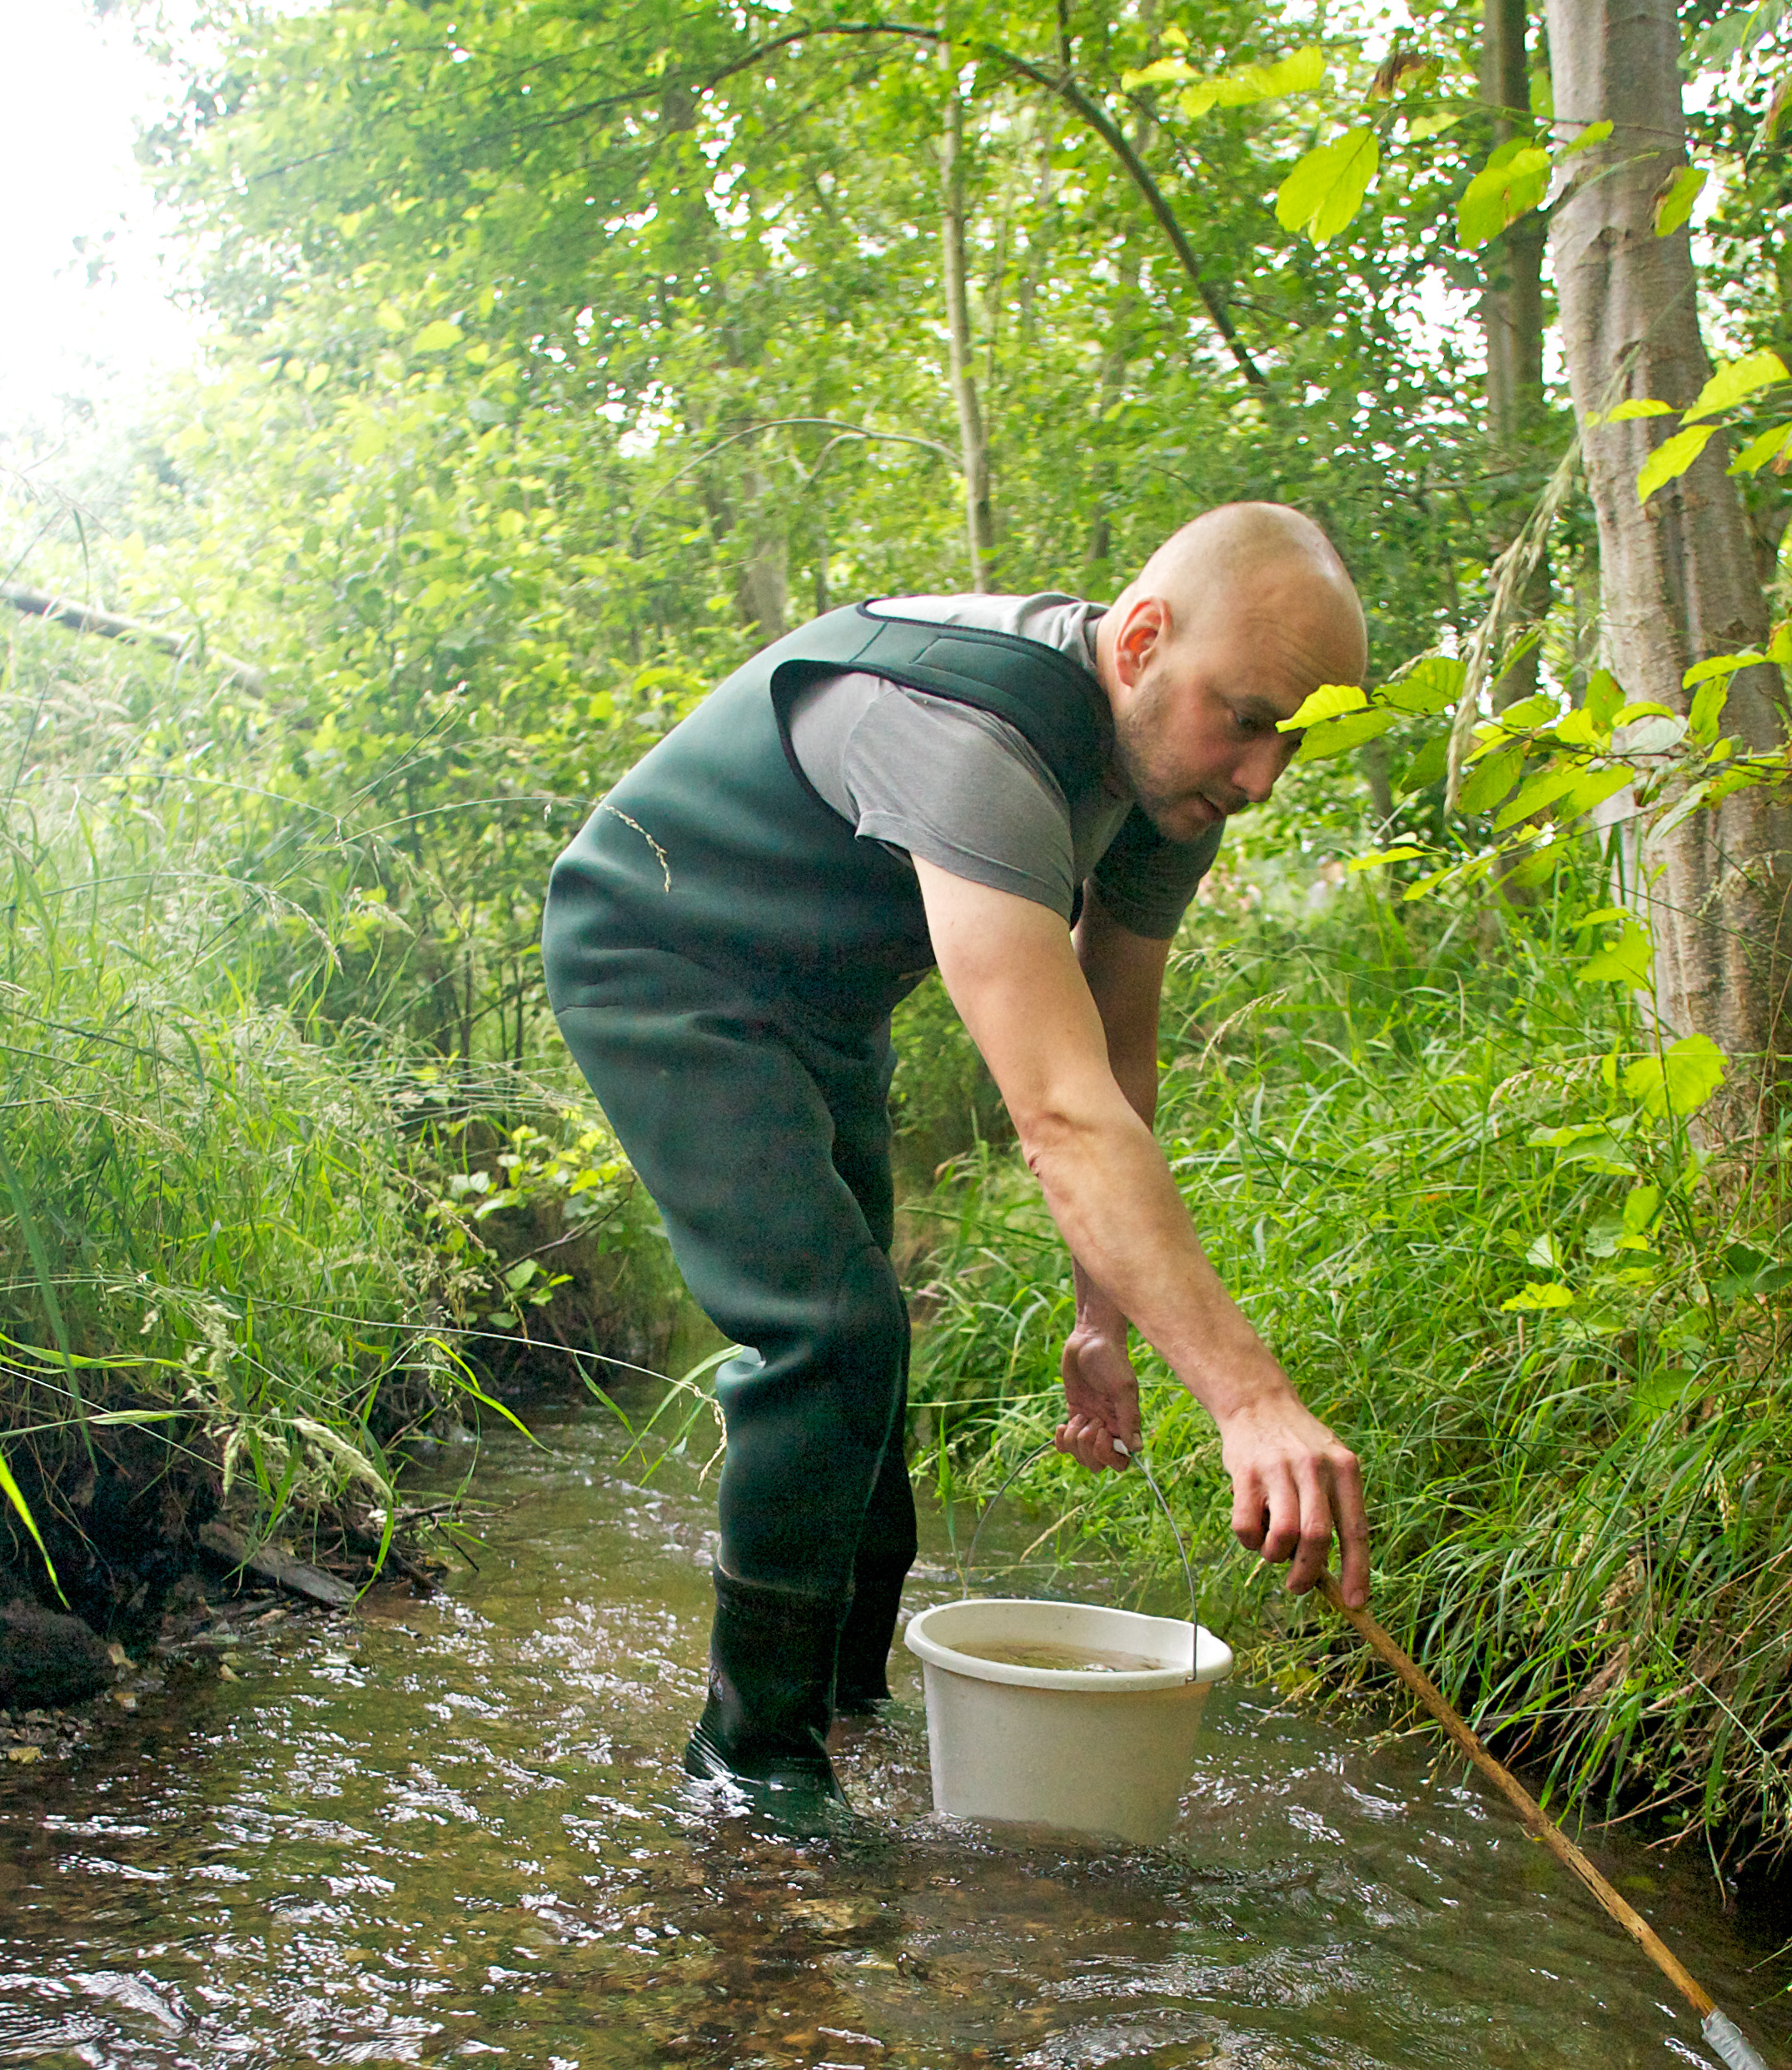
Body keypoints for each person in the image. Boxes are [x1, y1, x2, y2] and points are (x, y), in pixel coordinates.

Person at [540, 500, 1374, 1833]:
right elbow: (1053, 1111)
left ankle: (850, 1698)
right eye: (1253, 717)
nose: (1263, 774)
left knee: (868, 1343)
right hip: (656, 957)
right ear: (1143, 639)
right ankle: (749, 1758)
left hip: (821, 1004)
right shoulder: (973, 730)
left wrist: (1108, 1322)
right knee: (830, 1329)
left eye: (1293, 740)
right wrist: (1252, 1400)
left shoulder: (1179, 772)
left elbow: (1116, 1065)